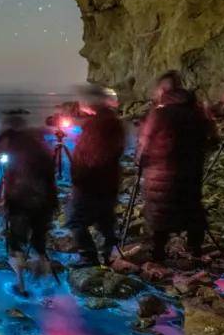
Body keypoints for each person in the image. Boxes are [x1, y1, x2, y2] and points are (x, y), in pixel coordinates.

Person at [137, 71, 213, 262]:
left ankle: (158, 254)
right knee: (192, 208)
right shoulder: (196, 112)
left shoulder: (160, 113)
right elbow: (212, 139)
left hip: (161, 174)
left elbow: (145, 144)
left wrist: (140, 159)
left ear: (162, 90)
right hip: (191, 173)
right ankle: (195, 250)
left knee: (161, 212)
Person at [0, 114, 57, 296]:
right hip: (45, 199)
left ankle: (20, 283)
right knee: (39, 238)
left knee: (16, 240)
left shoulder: (8, 140)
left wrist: (5, 199)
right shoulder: (38, 143)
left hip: (20, 199)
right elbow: (51, 172)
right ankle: (44, 275)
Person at [67, 85, 126, 266]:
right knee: (104, 218)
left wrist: (81, 175)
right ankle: (110, 253)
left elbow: (95, 156)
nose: (80, 103)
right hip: (107, 180)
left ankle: (88, 256)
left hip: (91, 181)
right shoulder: (110, 121)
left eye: (83, 100)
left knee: (74, 218)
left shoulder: (99, 124)